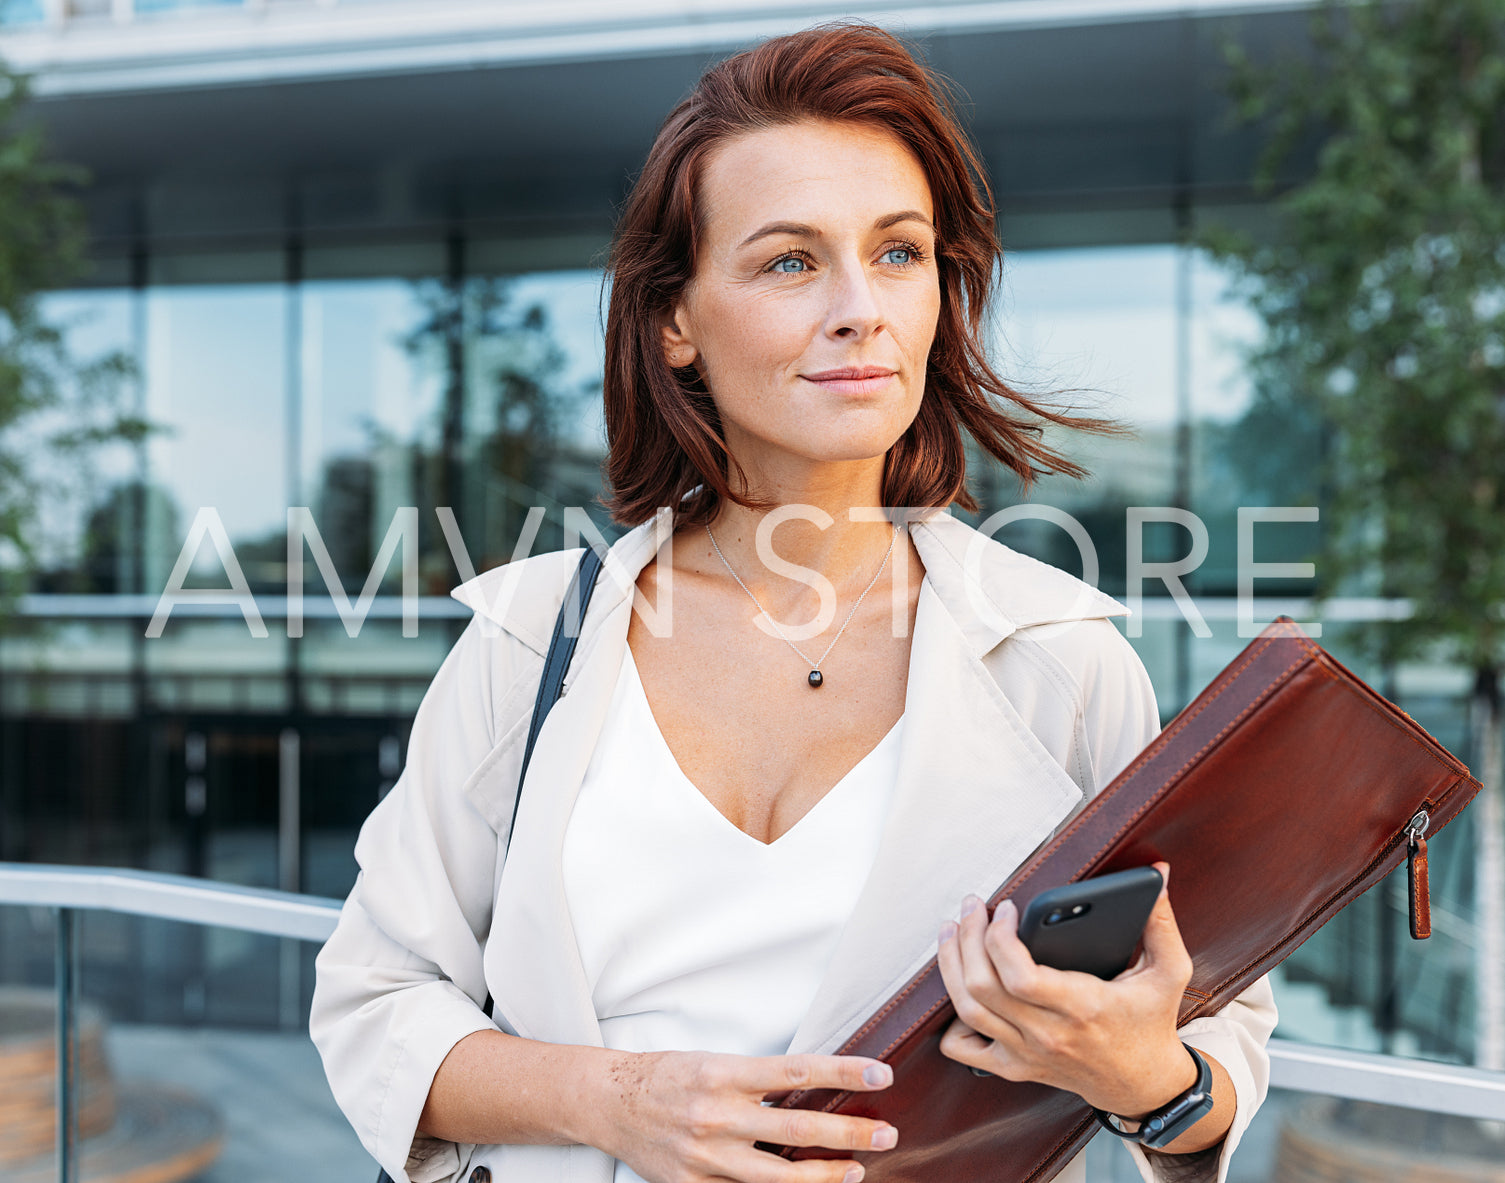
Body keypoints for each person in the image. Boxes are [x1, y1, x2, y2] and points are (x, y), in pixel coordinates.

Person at [310, 22, 1276, 1183]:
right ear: (674, 321)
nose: (859, 308)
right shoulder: (533, 642)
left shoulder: (1058, 658)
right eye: (787, 261)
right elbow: (373, 1004)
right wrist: (620, 1102)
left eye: (898, 252)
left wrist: (1149, 1086)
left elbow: (1210, 1043)